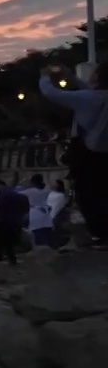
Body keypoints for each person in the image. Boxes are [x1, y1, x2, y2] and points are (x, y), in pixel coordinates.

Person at [39, 64, 108, 245]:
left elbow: (52, 93)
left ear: (98, 77)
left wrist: (45, 77)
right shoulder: (94, 96)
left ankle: (100, 234)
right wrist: (72, 78)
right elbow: (93, 93)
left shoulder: (88, 98)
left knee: (87, 193)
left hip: (86, 151)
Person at [0, 183, 29, 265]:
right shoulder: (19, 195)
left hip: (3, 221)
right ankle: (11, 258)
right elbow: (25, 209)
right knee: (10, 240)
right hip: (15, 221)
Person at [19, 174, 54, 249]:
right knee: (48, 240)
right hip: (47, 216)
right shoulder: (48, 190)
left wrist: (22, 184)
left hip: (34, 217)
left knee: (37, 240)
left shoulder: (27, 192)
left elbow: (14, 193)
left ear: (31, 182)